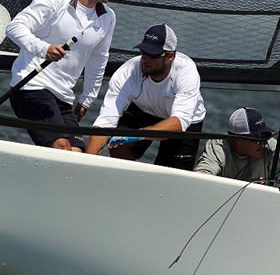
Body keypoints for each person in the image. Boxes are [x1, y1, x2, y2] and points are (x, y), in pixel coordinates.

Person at [6, 0, 128, 151]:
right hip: (31, 86)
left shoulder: (108, 17)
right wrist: (44, 49)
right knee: (61, 147)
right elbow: (14, 27)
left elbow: (99, 59)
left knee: (78, 152)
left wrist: (86, 100)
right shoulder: (52, 1)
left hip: (63, 96)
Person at [85, 24, 206, 169]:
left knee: (169, 176)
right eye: (143, 52)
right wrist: (87, 164)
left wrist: (139, 135)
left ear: (170, 56)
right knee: (116, 145)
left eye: (153, 54)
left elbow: (179, 123)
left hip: (182, 120)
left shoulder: (186, 72)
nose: (145, 59)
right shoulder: (127, 73)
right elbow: (105, 123)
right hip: (144, 108)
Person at [194, 107, 280, 181]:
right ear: (237, 139)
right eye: (255, 139)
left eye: (264, 136)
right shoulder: (219, 147)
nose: (261, 143)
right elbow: (201, 176)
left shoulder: (266, 143)